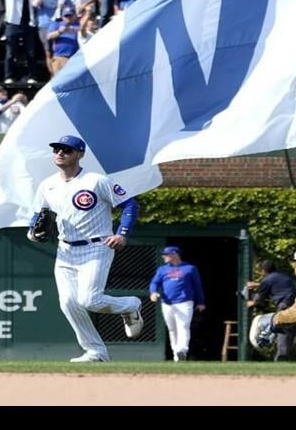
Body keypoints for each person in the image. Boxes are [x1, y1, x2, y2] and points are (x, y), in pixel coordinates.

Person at [28, 135, 144, 362]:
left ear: (80, 154)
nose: (60, 153)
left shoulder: (96, 180)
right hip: (65, 250)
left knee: (90, 300)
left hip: (97, 246)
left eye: (67, 150)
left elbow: (130, 204)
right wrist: (32, 231)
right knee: (69, 304)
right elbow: (37, 215)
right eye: (57, 149)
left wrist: (122, 234)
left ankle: (131, 305)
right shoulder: (47, 185)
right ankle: (96, 352)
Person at [148, 246, 206, 362]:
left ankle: (182, 350)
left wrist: (201, 302)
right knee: (172, 329)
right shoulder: (162, 270)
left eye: (166, 254)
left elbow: (197, 286)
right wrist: (153, 292)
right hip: (167, 303)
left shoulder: (190, 268)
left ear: (174, 254)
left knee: (183, 326)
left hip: (185, 302)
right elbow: (154, 283)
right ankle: (176, 355)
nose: (164, 256)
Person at [245, 260, 296, 361]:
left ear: (263, 271)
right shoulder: (283, 276)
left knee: (282, 329)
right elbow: (276, 285)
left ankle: (281, 358)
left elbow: (259, 299)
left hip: (284, 304)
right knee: (290, 330)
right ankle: (286, 355)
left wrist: (251, 302)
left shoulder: (267, 280)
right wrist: (257, 285)